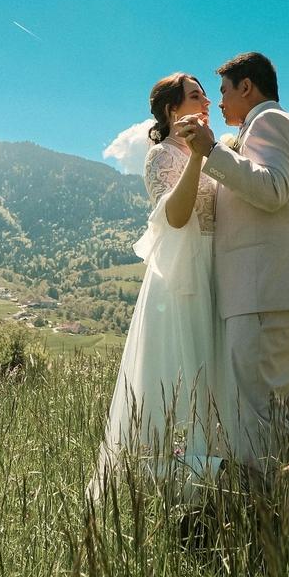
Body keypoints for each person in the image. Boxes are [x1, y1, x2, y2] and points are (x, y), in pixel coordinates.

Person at [176, 52, 289, 489]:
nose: (218, 102)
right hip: (271, 290)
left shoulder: (271, 122)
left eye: (222, 91)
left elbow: (274, 188)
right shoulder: (259, 129)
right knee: (285, 404)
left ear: (247, 87)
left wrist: (212, 151)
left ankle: (273, 505)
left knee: (260, 408)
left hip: (264, 290)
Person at [88, 72, 232, 504]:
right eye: (195, 96)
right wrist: (195, 158)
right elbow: (176, 217)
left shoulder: (214, 152)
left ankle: (223, 481)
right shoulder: (162, 157)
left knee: (218, 377)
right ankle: (176, 486)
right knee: (183, 373)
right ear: (173, 110)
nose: (206, 102)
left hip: (216, 270)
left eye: (207, 95)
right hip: (182, 279)